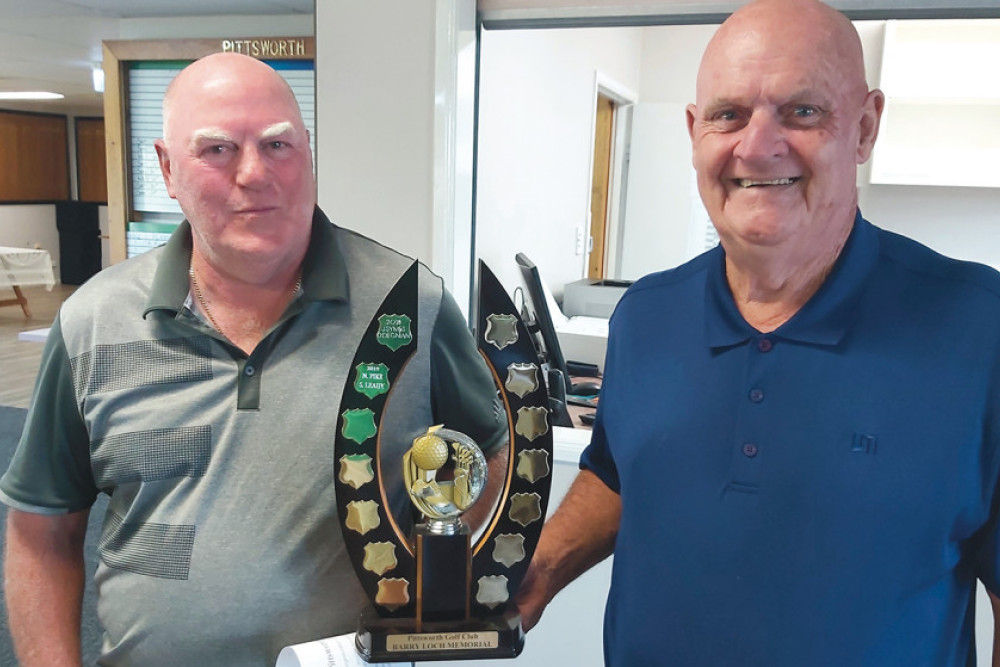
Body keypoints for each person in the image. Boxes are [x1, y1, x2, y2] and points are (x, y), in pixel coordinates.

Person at [515, 0, 1000, 664]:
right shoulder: (646, 316)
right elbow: (622, 471)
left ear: (864, 128)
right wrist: (535, 573)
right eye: (729, 114)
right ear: (694, 132)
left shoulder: (979, 327)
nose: (757, 145)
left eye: (802, 111)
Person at [0, 53, 505, 666]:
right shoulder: (93, 320)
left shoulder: (410, 305)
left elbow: (494, 454)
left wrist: (445, 576)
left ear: (309, 152)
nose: (254, 173)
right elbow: (43, 531)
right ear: (166, 167)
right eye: (216, 150)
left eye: (277, 145)